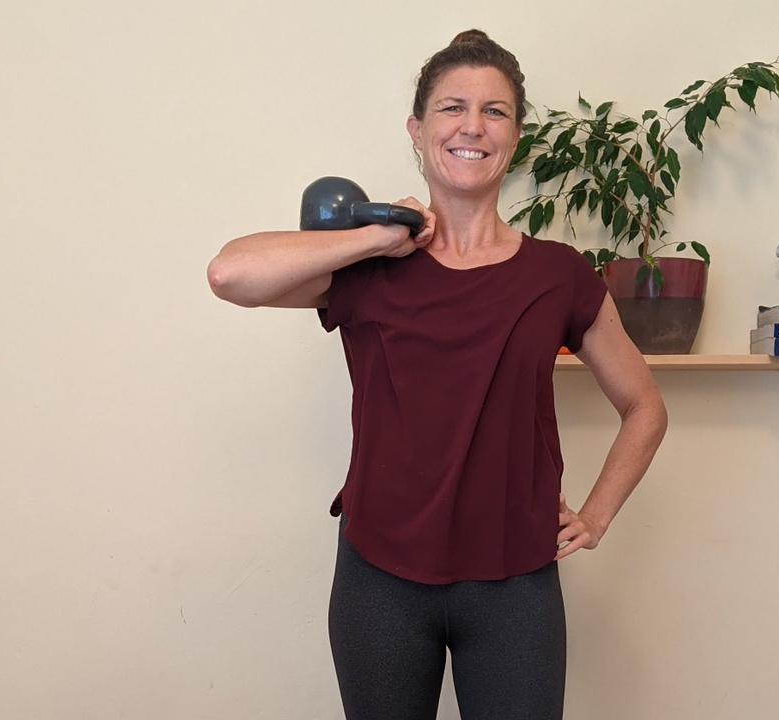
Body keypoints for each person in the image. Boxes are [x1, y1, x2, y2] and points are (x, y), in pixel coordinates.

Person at [207, 29, 667, 720]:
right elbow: (230, 274)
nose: (472, 126)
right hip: (380, 578)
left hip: (517, 584)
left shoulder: (557, 274)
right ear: (418, 130)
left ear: (516, 136)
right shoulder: (365, 268)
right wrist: (377, 237)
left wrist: (597, 514)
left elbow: (644, 407)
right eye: (452, 108)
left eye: (496, 111)